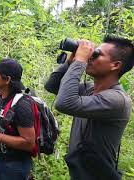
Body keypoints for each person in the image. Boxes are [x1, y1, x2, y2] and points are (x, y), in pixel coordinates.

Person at [45, 36, 134, 179]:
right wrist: (70, 61)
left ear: (115, 65)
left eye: (96, 54)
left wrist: (80, 61)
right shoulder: (89, 90)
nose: (90, 58)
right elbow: (52, 86)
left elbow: (64, 103)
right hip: (80, 172)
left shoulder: (117, 100)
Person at [0, 58, 35, 180]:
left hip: (15, 166)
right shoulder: (0, 97)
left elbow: (29, 143)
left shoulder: (22, 105)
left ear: (7, 79)